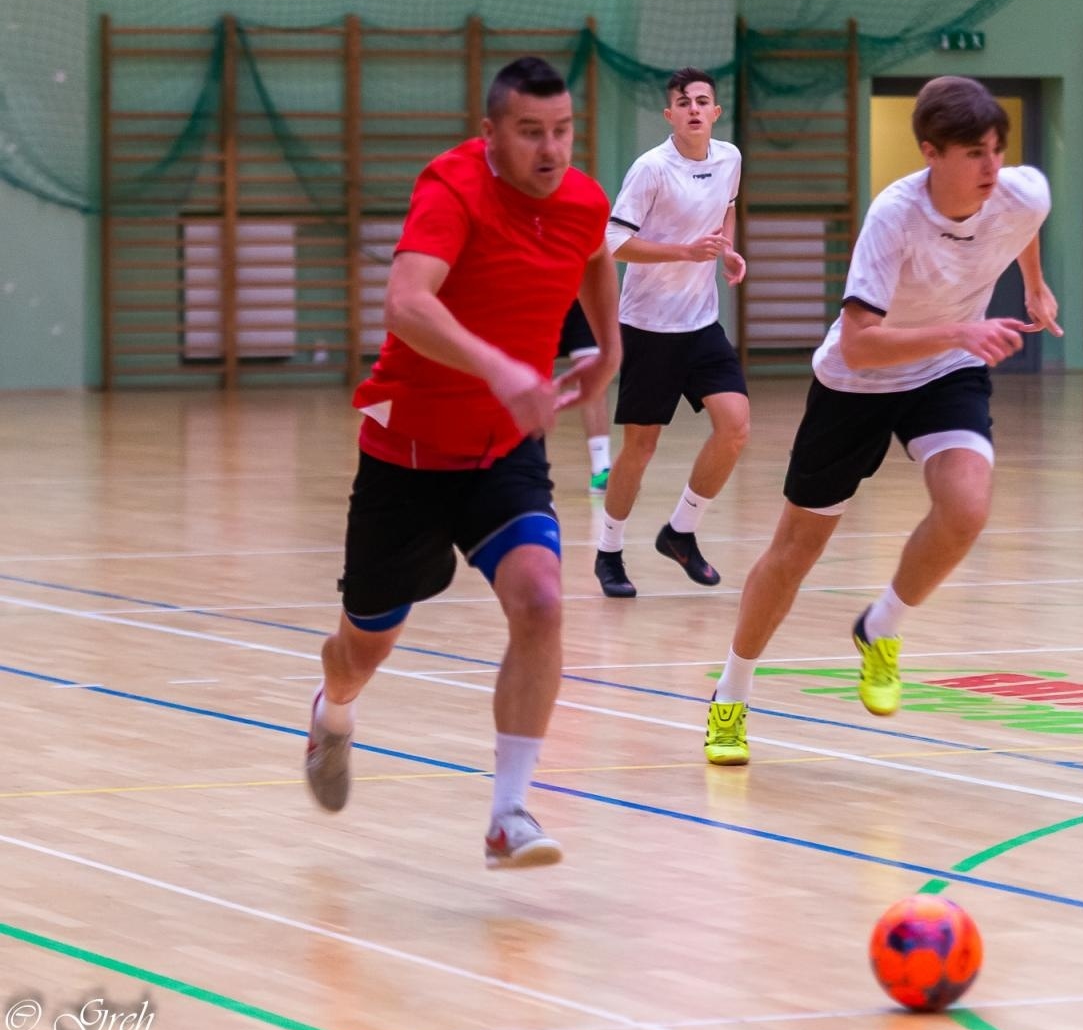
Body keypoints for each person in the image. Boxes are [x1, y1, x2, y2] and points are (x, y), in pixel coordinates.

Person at [302, 56, 620, 869]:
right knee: (363, 648)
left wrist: (608, 348)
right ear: (490, 134)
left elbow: (592, 252)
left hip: (504, 453)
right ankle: (333, 714)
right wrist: (503, 369)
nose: (551, 151)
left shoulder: (582, 198)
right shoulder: (450, 188)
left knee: (543, 601)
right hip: (404, 456)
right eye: (529, 133)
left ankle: (509, 813)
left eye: (563, 131)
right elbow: (407, 302)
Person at [702, 75, 1062, 766]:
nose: (992, 167)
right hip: (857, 381)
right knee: (794, 553)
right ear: (931, 152)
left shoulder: (1023, 193)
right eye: (974, 155)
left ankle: (881, 627)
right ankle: (730, 696)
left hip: (944, 372)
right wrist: (960, 330)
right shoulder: (894, 217)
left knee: (966, 509)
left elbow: (1026, 224)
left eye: (996, 150)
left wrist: (1036, 283)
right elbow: (861, 341)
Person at [593, 66, 749, 599]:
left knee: (735, 426)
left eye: (703, 101)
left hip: (701, 322)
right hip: (648, 325)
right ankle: (608, 550)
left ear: (716, 111)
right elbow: (613, 241)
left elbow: (724, 210)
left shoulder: (729, 158)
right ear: (670, 114)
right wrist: (684, 252)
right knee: (640, 448)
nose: (695, 109)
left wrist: (726, 253)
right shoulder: (651, 169)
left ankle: (680, 533)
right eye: (684, 102)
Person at [556, 300, 614, 493]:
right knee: (532, 378)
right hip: (539, 294)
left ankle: (601, 469)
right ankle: (527, 470)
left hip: (580, 298)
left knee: (593, 378)